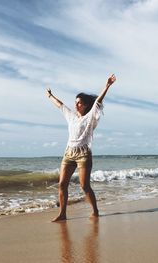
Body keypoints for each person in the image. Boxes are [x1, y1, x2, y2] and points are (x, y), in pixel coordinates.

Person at [46, 74, 116, 222]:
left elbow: (98, 101)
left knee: (84, 186)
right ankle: (62, 214)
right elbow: (60, 105)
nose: (76, 105)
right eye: (76, 102)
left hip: (83, 154)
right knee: (62, 184)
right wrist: (50, 96)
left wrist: (107, 86)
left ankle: (95, 211)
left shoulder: (90, 117)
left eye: (79, 103)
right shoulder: (70, 116)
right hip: (69, 153)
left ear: (85, 105)